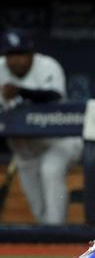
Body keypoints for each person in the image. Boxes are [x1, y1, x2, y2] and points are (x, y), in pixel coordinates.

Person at [0, 29, 82, 224]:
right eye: (11, 55)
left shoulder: (47, 66)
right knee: (39, 209)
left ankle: (57, 235)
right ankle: (50, 241)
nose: (16, 60)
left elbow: (53, 96)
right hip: (24, 151)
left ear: (31, 54)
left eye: (21, 54)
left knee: (51, 170)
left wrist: (20, 91)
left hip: (60, 142)